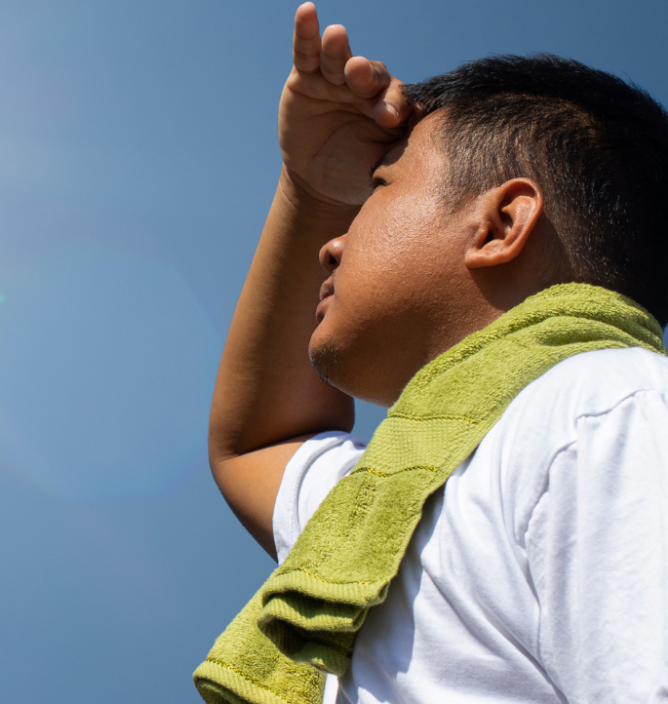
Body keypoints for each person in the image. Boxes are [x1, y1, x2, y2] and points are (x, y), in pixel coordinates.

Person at [200, 2, 668, 703]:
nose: (332, 240)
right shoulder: (395, 504)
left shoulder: (605, 409)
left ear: (501, 225)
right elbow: (257, 442)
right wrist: (312, 190)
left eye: (374, 194)